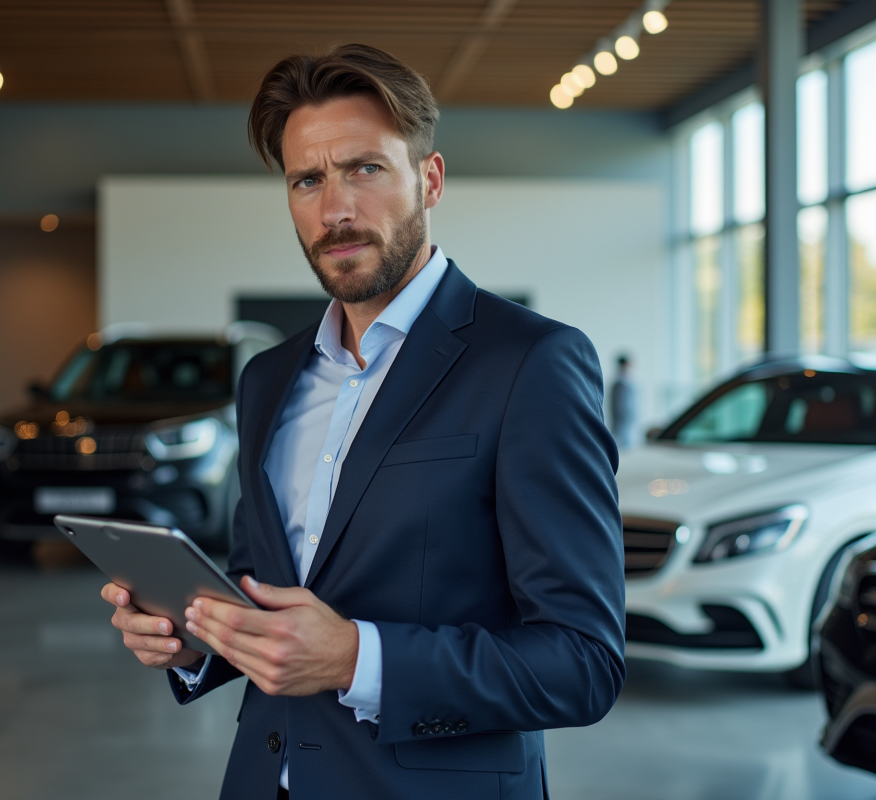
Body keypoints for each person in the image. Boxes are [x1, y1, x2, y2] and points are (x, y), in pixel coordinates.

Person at [101, 43, 625, 800]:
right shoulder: (269, 379)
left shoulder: (531, 363)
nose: (335, 208)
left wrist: (356, 658)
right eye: (307, 179)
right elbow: (263, 591)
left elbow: (583, 663)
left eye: (365, 169)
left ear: (430, 179)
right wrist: (193, 643)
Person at [609, 353, 638, 449]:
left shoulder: (625, 380)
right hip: (623, 416)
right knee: (623, 439)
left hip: (627, 416)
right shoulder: (620, 382)